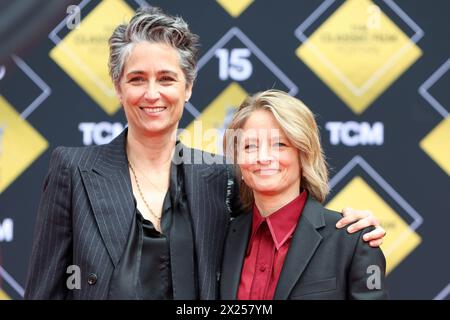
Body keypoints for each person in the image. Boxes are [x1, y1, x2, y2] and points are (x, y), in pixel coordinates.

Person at [24, 7, 386, 300]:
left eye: (166, 79)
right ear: (118, 87)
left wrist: (352, 223)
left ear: (189, 88)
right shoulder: (74, 169)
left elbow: (285, 225)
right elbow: (45, 289)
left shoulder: (219, 176)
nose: (152, 94)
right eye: (136, 79)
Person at [221, 89, 388, 299]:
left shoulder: (352, 240)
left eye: (279, 144)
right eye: (250, 146)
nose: (263, 157)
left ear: (304, 155)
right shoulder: (220, 239)